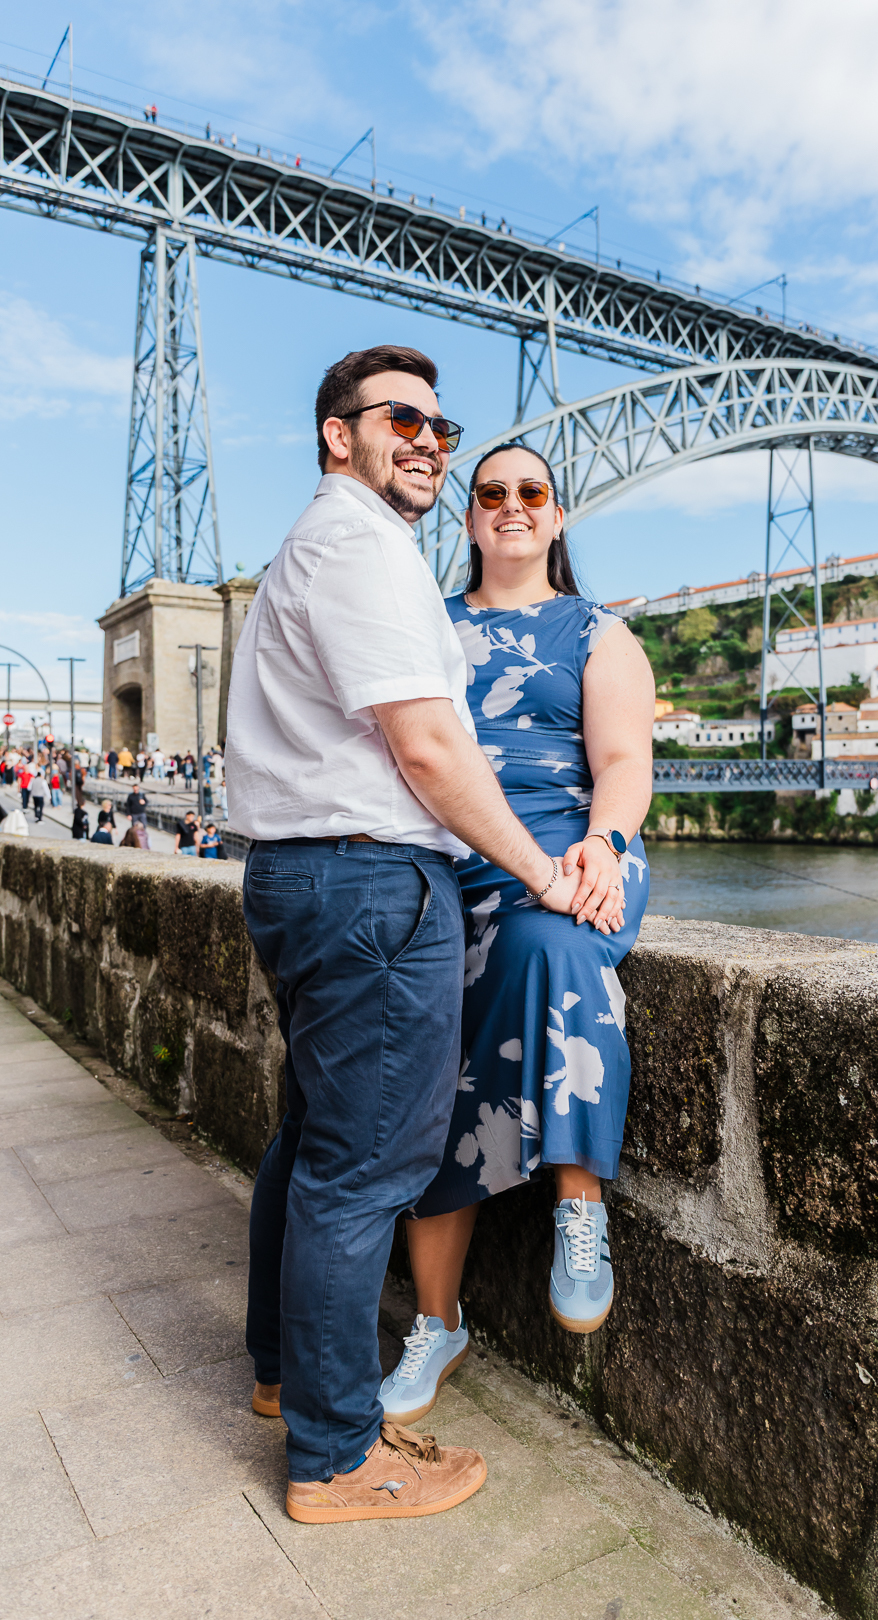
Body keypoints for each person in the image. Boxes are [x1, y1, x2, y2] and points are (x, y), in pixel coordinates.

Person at [226, 344, 599, 1527]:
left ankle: (288, 1380)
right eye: (403, 419)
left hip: (310, 878)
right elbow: (430, 752)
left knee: (310, 1142)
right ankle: (339, 1462)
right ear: (340, 433)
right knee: (362, 1170)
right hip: (371, 884)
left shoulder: (329, 546)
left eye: (442, 424)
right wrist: (543, 868)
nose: (431, 439)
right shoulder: (361, 549)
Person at [377, 443, 654, 1426]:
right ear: (469, 517)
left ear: (557, 513)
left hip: (575, 853)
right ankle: (438, 1321)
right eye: (490, 493)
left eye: (530, 492)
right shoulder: (429, 627)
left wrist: (604, 846)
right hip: (454, 865)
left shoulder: (596, 632)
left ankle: (581, 1206)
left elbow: (622, 758)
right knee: (428, 1058)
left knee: (556, 945)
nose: (510, 506)